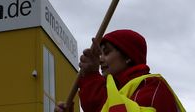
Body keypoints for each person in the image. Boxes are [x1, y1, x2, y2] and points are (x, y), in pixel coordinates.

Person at [57, 29, 185, 112]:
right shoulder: (113, 91)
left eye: (106, 52)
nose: (100, 59)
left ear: (128, 56)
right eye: (99, 54)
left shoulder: (152, 86)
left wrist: (92, 77)